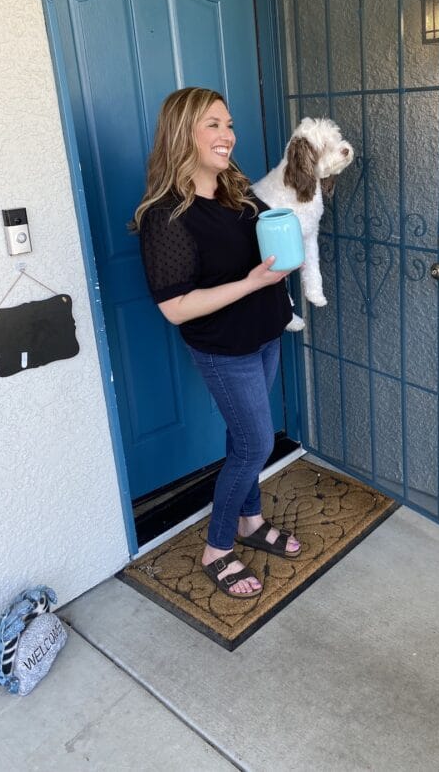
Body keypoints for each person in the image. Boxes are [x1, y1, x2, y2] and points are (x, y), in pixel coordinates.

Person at [132, 87, 301, 599]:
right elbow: (175, 306)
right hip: (224, 346)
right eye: (213, 125)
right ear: (183, 133)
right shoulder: (165, 215)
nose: (228, 135)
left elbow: (258, 254)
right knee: (255, 443)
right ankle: (218, 549)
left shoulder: (236, 192)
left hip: (264, 331)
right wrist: (251, 283)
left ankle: (250, 521)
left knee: (243, 439)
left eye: (229, 124)